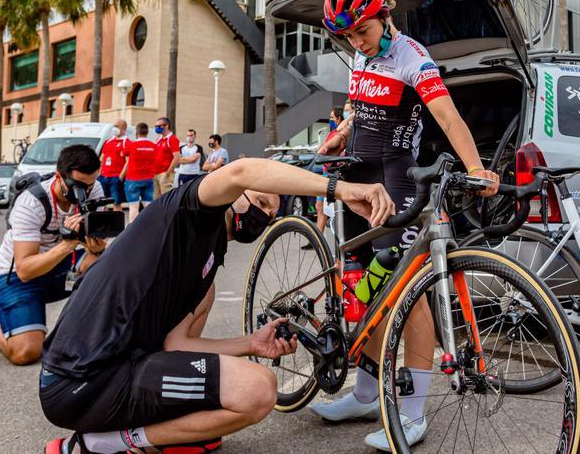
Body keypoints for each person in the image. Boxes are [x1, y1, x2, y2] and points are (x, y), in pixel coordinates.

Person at [39, 156, 395, 454]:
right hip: (79, 382)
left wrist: (251, 343)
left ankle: (146, 431)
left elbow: (177, 346)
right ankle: (105, 443)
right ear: (234, 194)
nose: (266, 215)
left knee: (223, 399)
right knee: (258, 390)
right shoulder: (185, 210)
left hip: (121, 369)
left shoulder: (212, 253)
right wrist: (341, 189)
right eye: (260, 201)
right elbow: (242, 171)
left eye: (272, 212)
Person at [312, 0, 498, 450]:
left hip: (395, 177)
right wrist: (340, 133)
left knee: (405, 292)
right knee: (362, 289)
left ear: (384, 15)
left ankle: (412, 412)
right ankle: (367, 392)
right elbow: (357, 106)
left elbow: (448, 115)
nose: (357, 41)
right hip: (354, 175)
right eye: (347, 35)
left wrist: (477, 168)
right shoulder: (360, 52)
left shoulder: (413, 57)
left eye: (362, 30)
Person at [0, 144, 108, 365]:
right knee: (26, 353)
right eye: (78, 186)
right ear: (59, 177)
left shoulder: (94, 190)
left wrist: (98, 247)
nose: (85, 192)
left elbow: (96, 252)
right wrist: (67, 244)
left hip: (61, 266)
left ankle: (93, 331)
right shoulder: (31, 202)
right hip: (18, 275)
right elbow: (25, 269)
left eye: (91, 184)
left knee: (106, 263)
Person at [121, 122, 161, 224]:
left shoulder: (132, 145)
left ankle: (133, 230)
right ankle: (152, 226)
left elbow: (122, 153)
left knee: (133, 208)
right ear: (147, 132)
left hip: (133, 179)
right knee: (148, 205)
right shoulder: (154, 146)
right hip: (148, 179)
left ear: (137, 132)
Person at [98, 120, 129, 212]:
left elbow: (128, 161)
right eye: (114, 126)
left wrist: (121, 176)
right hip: (103, 176)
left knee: (116, 202)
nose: (114, 128)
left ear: (123, 129)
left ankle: (117, 224)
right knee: (101, 202)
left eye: (117, 126)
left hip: (116, 177)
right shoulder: (108, 141)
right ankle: (105, 222)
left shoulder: (126, 142)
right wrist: (99, 173)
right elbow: (101, 158)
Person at [153, 117, 181, 198]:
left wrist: (168, 173)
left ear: (166, 126)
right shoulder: (159, 139)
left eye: (159, 126)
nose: (157, 128)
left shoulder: (172, 139)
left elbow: (177, 157)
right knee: (156, 200)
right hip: (155, 173)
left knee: (166, 199)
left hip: (164, 174)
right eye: (156, 126)